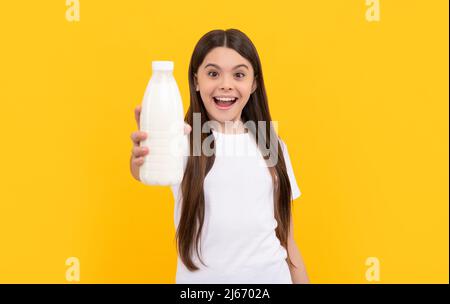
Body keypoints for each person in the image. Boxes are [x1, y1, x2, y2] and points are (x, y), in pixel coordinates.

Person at [130, 29, 309, 284]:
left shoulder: (272, 144)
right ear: (196, 80)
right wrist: (143, 153)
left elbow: (287, 239)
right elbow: (144, 170)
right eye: (213, 73)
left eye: (239, 74)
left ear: (254, 83)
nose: (226, 84)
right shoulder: (183, 141)